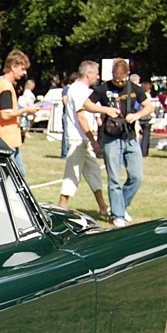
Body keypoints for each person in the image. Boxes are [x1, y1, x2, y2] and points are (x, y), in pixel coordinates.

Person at [84, 58, 153, 227]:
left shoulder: (134, 88)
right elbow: (86, 104)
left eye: (122, 79)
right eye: (116, 79)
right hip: (111, 137)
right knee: (114, 178)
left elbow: (149, 107)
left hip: (130, 137)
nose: (119, 82)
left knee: (136, 176)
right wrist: (104, 109)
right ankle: (117, 214)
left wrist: (137, 116)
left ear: (128, 75)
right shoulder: (103, 88)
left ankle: (121, 205)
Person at [59, 61, 109, 217]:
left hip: (83, 138)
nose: (98, 76)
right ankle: (61, 207)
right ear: (88, 74)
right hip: (78, 138)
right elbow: (81, 117)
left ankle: (102, 205)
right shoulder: (78, 90)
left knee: (94, 171)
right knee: (72, 173)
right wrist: (92, 140)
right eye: (96, 73)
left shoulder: (80, 89)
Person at [0, 49, 39, 176]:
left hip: (2, 138)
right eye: (23, 69)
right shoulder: (6, 87)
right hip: (6, 139)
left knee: (18, 175)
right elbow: (5, 114)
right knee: (9, 178)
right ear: (13, 67)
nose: (24, 73)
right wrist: (26, 110)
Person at [61, 72, 79, 158]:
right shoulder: (66, 89)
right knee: (66, 134)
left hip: (72, 115)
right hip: (66, 115)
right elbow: (65, 101)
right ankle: (64, 153)